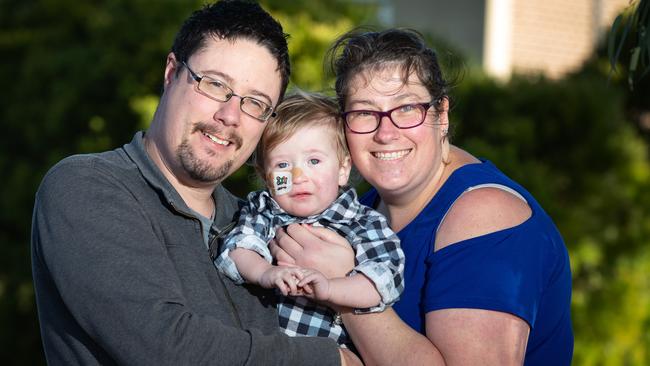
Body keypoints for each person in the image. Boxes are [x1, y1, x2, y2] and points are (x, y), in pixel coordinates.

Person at [30, 1, 360, 365]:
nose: (229, 116)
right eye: (215, 85)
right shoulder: (87, 187)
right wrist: (333, 361)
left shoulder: (256, 221)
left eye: (255, 103)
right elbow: (168, 349)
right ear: (171, 73)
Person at [271, 28, 574, 365]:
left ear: (441, 115)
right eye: (364, 113)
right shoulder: (363, 208)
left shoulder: (484, 216)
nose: (386, 133)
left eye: (406, 108)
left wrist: (344, 286)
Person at [215, 92, 405, 347]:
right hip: (260, 350)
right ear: (266, 176)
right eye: (282, 165)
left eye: (314, 161)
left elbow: (385, 281)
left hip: (327, 354)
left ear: (342, 169)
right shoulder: (264, 211)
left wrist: (331, 289)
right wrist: (265, 272)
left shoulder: (362, 223)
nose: (298, 176)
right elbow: (237, 251)